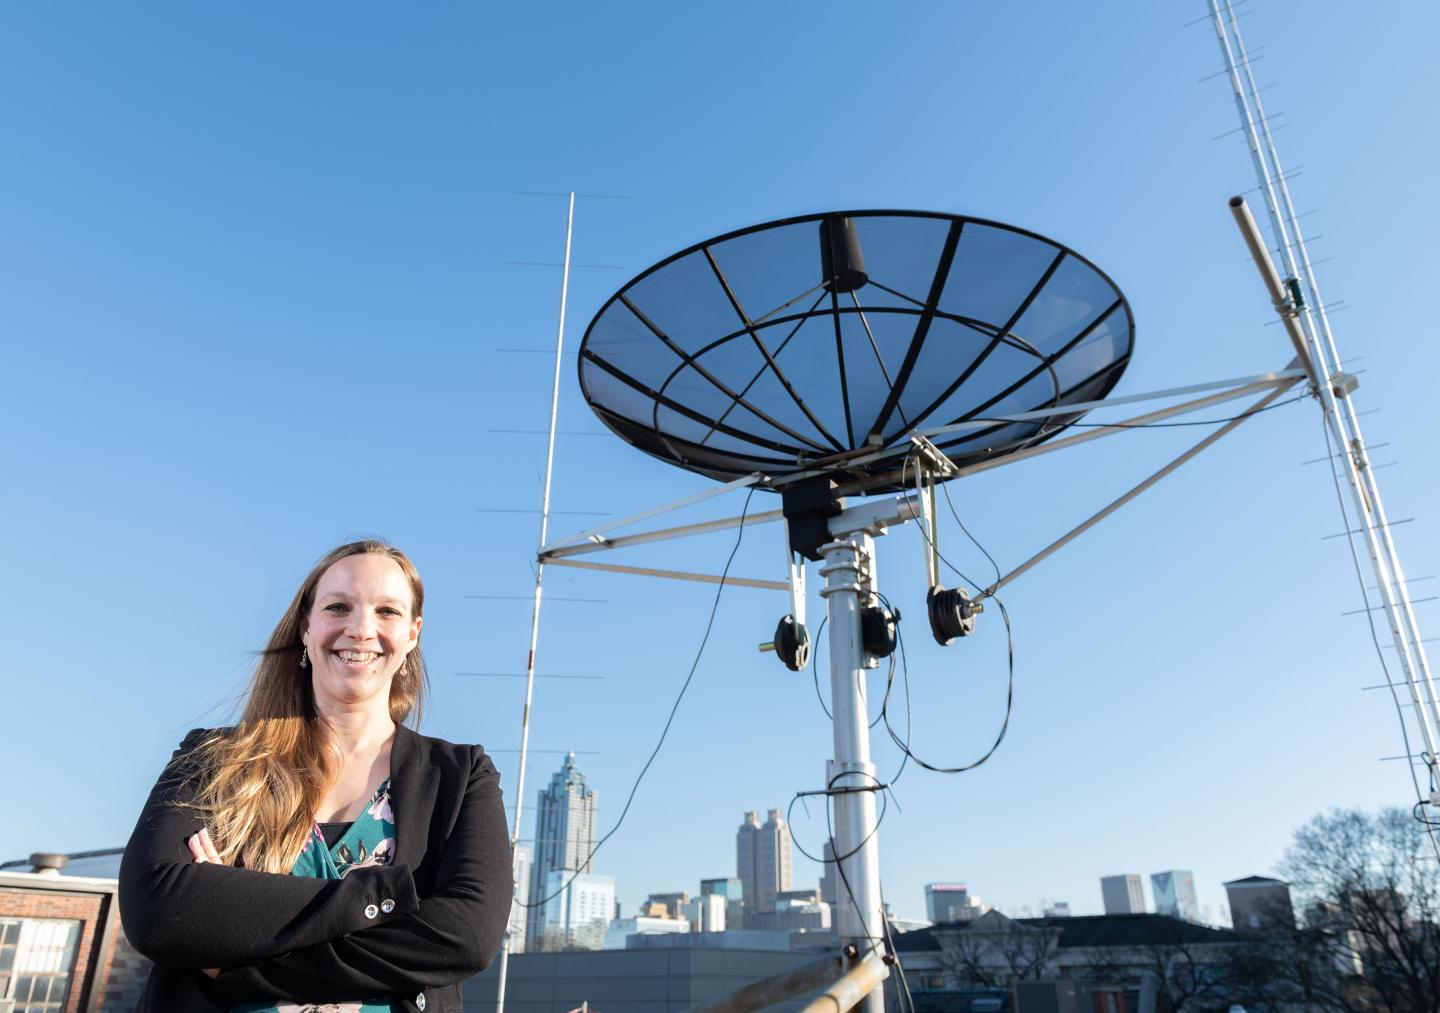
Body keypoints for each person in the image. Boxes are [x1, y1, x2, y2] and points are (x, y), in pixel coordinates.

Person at [119, 540, 511, 1013]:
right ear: (307, 626)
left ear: (413, 634)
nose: (361, 629)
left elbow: (467, 936)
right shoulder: (214, 759)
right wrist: (383, 897)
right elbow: (159, 911)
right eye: (338, 607)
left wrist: (240, 964)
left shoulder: (460, 775)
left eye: (387, 611)